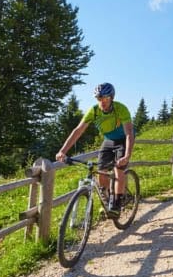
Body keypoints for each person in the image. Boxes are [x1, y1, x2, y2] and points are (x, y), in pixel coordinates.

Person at [56, 83, 134, 216]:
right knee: (101, 171)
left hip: (122, 139)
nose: (102, 102)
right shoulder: (94, 111)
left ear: (111, 98)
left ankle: (117, 203)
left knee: (119, 168)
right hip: (108, 140)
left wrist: (126, 155)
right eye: (99, 98)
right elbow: (78, 131)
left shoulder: (120, 109)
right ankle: (109, 199)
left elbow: (129, 134)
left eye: (105, 98)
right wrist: (62, 151)